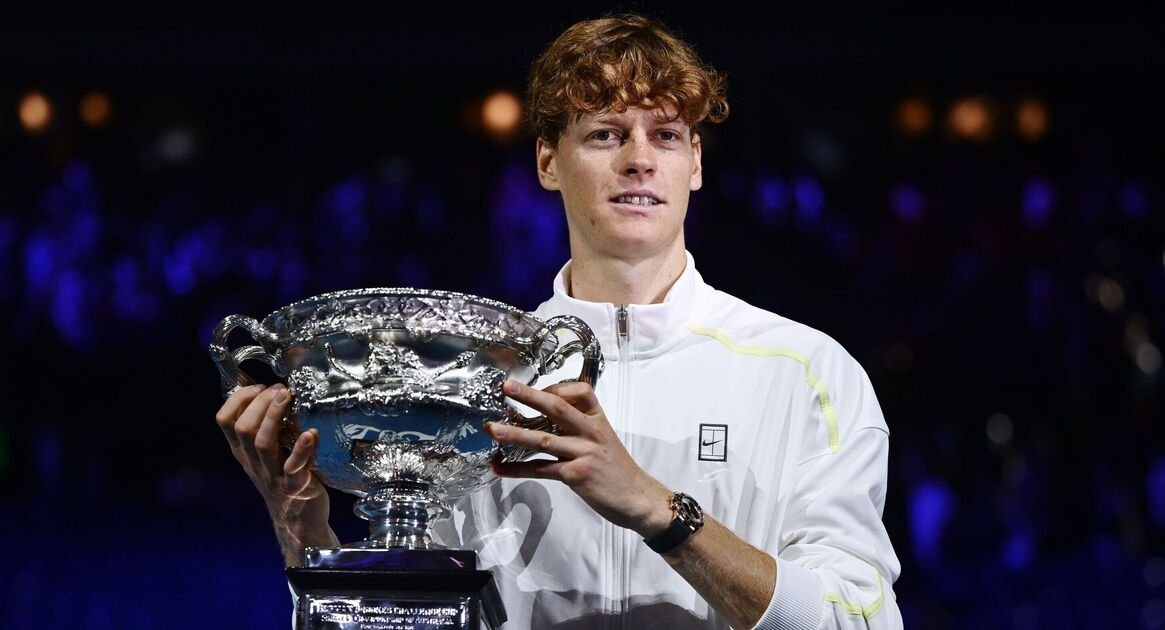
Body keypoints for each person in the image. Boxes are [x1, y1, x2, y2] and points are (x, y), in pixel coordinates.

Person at [215, 14, 902, 629]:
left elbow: (860, 621)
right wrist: (302, 533)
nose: (639, 159)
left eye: (666, 135)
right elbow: (410, 620)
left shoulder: (804, 373)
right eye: (606, 134)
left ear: (695, 163)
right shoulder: (474, 381)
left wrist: (659, 511)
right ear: (548, 161)